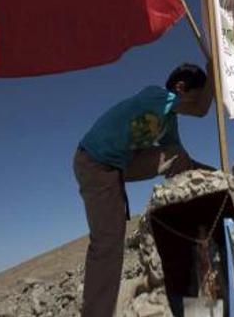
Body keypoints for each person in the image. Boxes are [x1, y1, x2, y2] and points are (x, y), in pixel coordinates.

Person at [73, 63, 214, 317]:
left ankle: (192, 228)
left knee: (175, 155)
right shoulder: (156, 95)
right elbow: (201, 110)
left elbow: (180, 159)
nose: (192, 103)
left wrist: (213, 175)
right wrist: (214, 71)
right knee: (108, 243)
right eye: (194, 94)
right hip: (95, 162)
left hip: (119, 164)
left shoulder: (168, 120)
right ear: (181, 88)